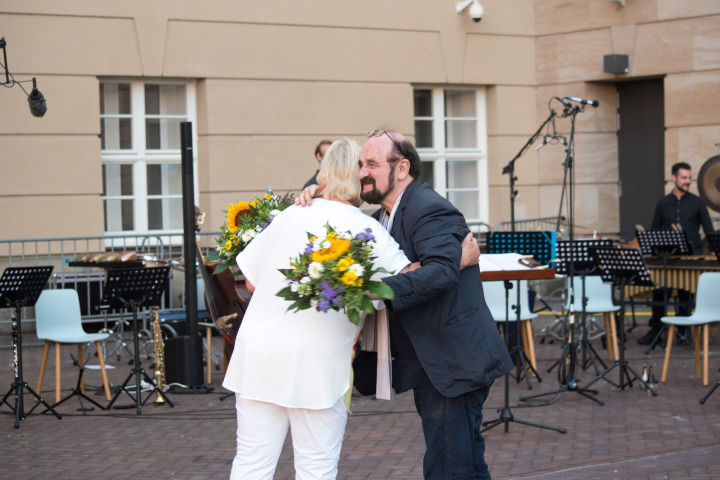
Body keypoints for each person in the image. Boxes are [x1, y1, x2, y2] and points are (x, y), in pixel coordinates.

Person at [299, 129, 513, 480]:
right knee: (466, 464)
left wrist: (377, 289)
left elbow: (442, 273)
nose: (362, 172)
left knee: (447, 467)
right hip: (437, 362)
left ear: (402, 169)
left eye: (371, 164)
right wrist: (317, 190)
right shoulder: (382, 215)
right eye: (359, 165)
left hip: (452, 363)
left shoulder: (428, 208)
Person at [223, 138, 413, 480]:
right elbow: (404, 282)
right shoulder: (368, 230)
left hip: (259, 355)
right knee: (316, 467)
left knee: (251, 462)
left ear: (323, 176)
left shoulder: (290, 215)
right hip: (318, 363)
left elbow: (250, 282)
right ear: (360, 177)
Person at [638, 161, 715, 345]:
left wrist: (712, 252)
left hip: (690, 258)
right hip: (666, 258)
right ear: (674, 178)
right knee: (660, 293)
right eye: (684, 177)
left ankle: (682, 331)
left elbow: (709, 230)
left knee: (685, 294)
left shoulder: (697, 202)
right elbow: (654, 229)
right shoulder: (663, 203)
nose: (688, 181)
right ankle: (656, 329)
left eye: (689, 178)